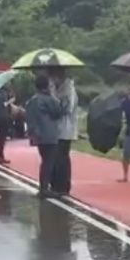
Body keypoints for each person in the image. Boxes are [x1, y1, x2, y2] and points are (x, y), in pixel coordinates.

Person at [25, 73, 65, 197]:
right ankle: (45, 188)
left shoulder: (32, 100)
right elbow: (58, 112)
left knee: (45, 161)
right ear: (47, 86)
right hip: (50, 134)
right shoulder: (48, 99)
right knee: (49, 162)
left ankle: (44, 186)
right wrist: (54, 96)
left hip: (38, 135)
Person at [47, 67, 78, 195]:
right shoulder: (56, 88)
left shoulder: (69, 89)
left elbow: (67, 109)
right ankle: (55, 184)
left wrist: (53, 95)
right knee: (55, 158)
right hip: (56, 129)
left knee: (62, 158)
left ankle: (63, 186)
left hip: (66, 128)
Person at [0, 84, 17, 164]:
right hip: (3, 116)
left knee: (1, 137)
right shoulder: (3, 94)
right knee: (2, 137)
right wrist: (10, 101)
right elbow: (4, 104)